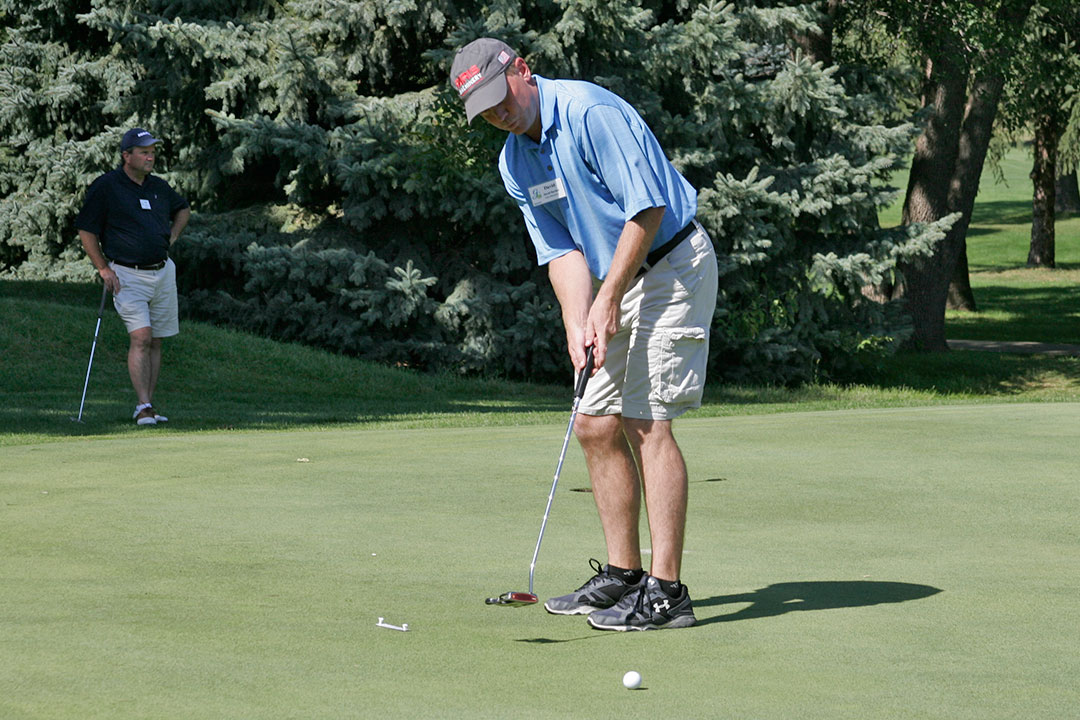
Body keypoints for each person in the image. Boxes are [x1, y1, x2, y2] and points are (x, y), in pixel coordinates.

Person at [451, 39, 718, 631]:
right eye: (486, 111)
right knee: (594, 421)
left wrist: (608, 297)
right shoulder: (514, 160)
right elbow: (560, 249)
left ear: (522, 69)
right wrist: (577, 322)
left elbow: (645, 210)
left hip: (672, 264)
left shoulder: (590, 113)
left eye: (501, 98)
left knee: (646, 421)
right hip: (612, 281)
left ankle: (667, 591)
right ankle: (623, 577)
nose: (500, 115)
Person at [76, 128, 190, 426]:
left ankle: (148, 405)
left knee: (155, 341)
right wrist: (103, 268)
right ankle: (143, 406)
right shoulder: (107, 186)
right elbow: (86, 229)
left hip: (162, 271)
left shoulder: (158, 187)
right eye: (143, 151)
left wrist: (171, 237)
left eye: (152, 150)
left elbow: (183, 209)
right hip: (126, 273)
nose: (150, 156)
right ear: (126, 156)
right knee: (140, 337)